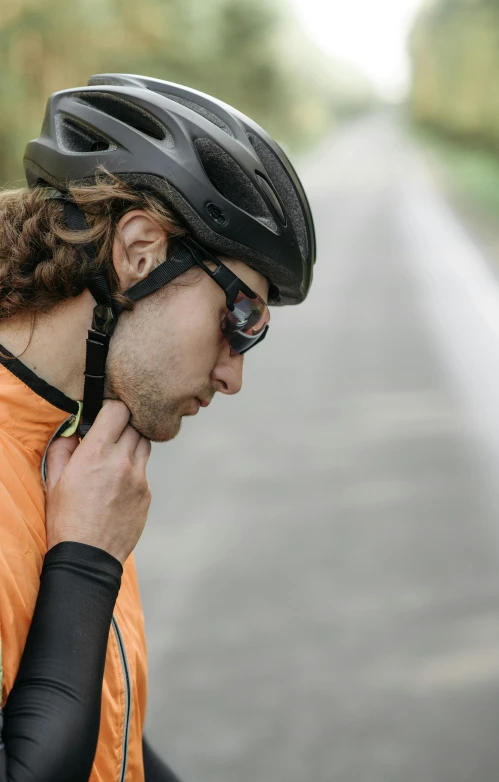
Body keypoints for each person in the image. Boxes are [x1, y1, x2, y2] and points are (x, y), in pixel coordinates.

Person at [0, 73, 316, 781]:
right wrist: (84, 565)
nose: (234, 374)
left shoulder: (66, 457)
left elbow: (108, 742)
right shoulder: (84, 518)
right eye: (240, 319)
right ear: (140, 251)